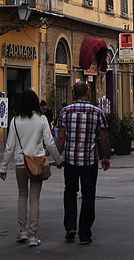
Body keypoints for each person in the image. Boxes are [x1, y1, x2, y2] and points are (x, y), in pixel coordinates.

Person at [0, 89, 63, 248]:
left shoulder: (15, 121)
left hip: (20, 163)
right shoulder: (41, 120)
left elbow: (9, 147)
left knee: (22, 195)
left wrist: (3, 167)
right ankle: (33, 235)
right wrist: (59, 159)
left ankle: (22, 231)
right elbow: (49, 143)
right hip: (37, 162)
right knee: (34, 199)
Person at [55, 82, 111, 245]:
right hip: (89, 161)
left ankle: (70, 227)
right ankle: (85, 233)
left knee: (70, 192)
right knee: (88, 196)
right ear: (88, 92)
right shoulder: (97, 112)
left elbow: (60, 138)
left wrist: (57, 158)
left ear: (73, 93)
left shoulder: (65, 112)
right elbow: (103, 138)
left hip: (71, 161)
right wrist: (105, 157)